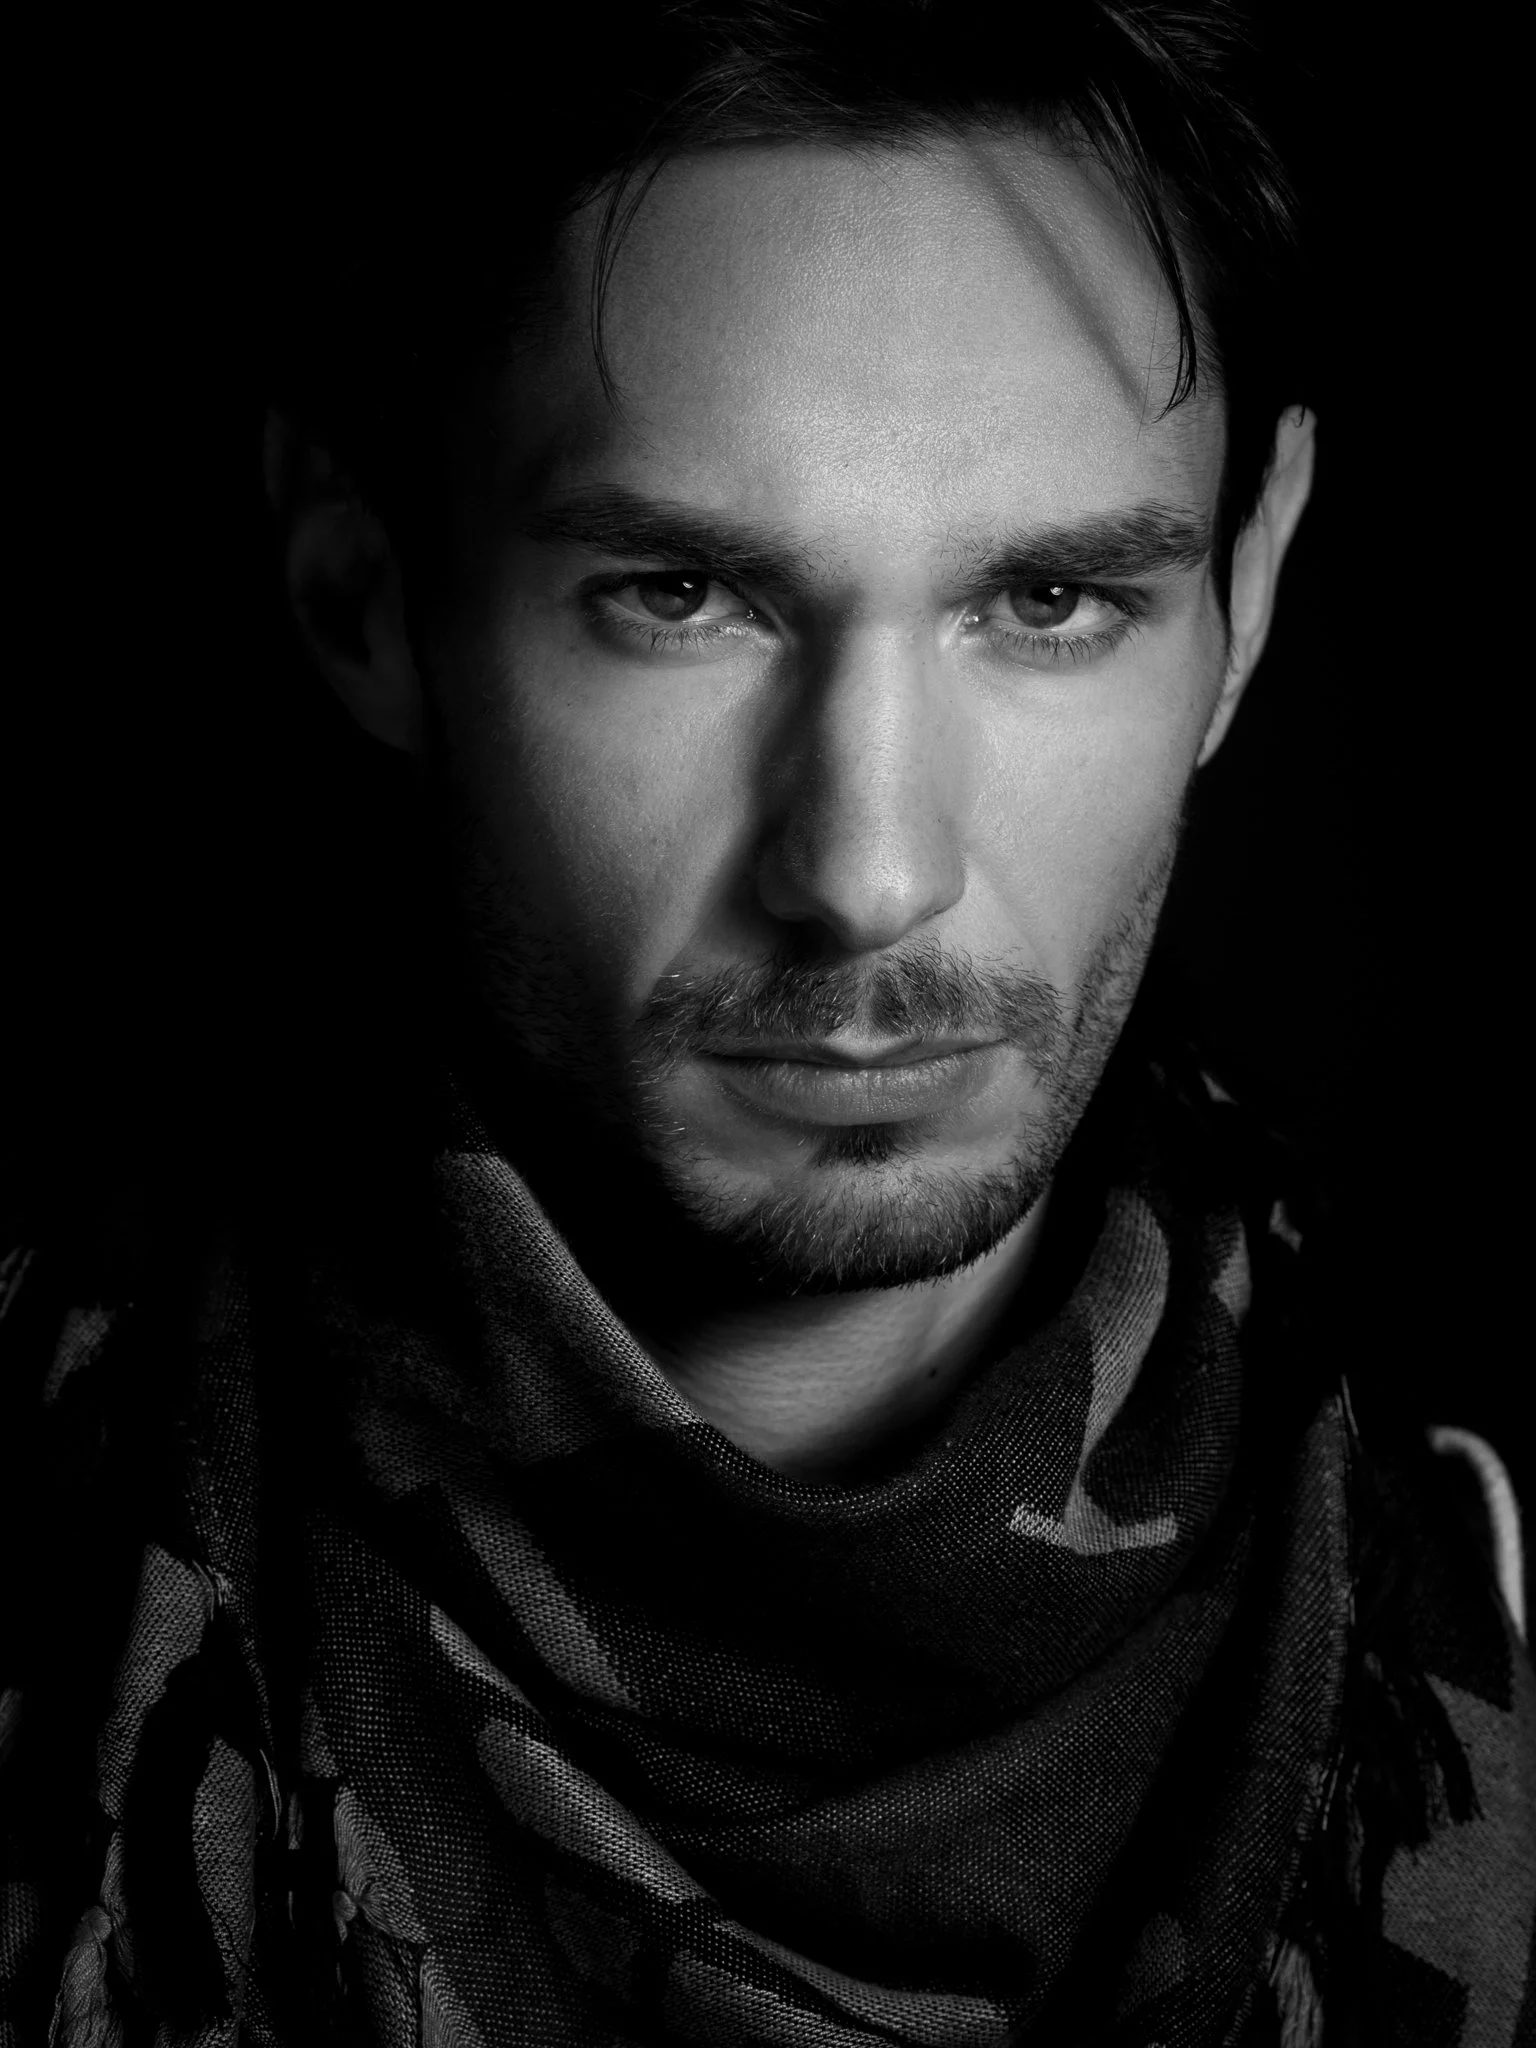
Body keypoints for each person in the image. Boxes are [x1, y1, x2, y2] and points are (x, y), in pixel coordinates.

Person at [3, 4, 1532, 2043]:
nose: (869, 868)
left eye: (1054, 603)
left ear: (1244, 601)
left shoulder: (1491, 1618)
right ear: (366, 592)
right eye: (680, 595)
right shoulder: (31, 1569)